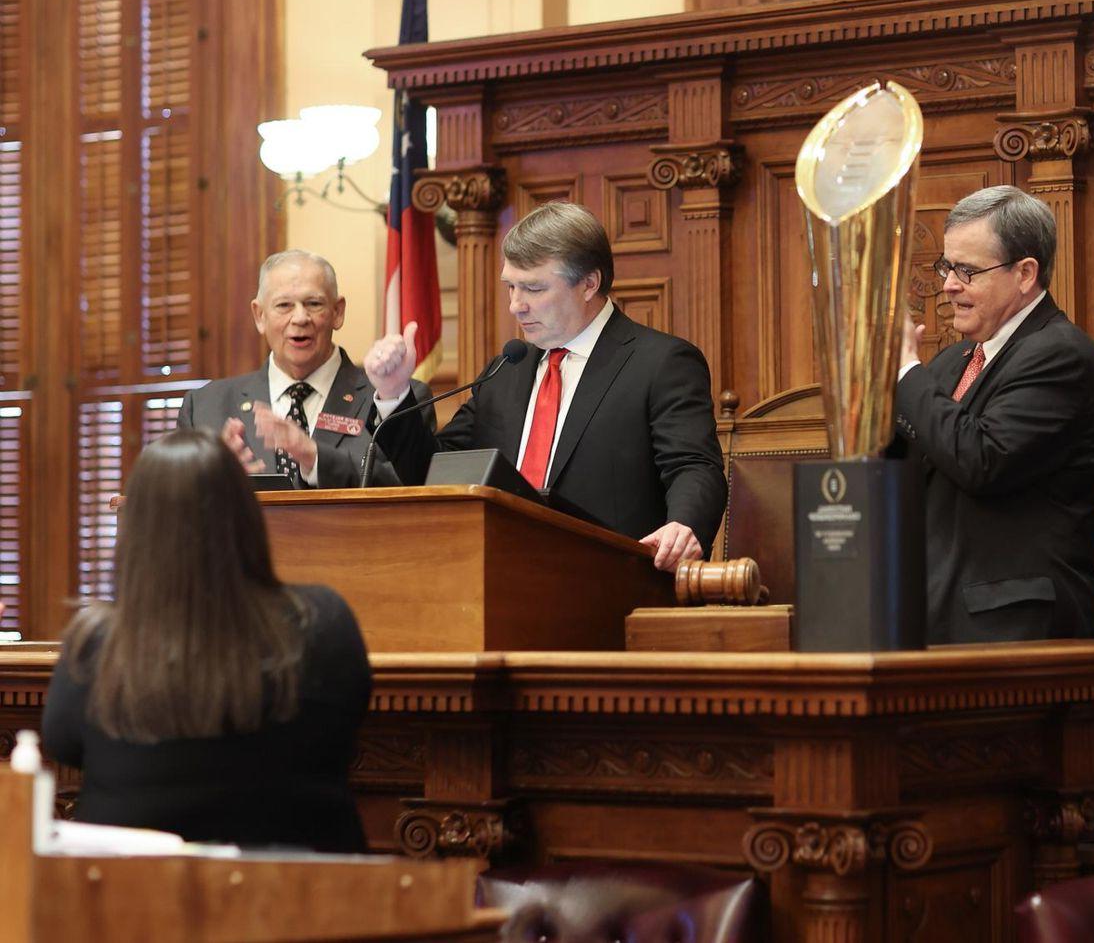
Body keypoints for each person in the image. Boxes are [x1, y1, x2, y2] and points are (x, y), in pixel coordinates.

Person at [41, 430, 372, 852]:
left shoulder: (95, 644)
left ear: (135, 529)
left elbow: (63, 745)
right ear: (246, 517)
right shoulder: (324, 620)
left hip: (138, 905)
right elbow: (349, 722)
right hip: (305, 906)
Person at [365, 201, 726, 571]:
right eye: (511, 287)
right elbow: (439, 471)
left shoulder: (660, 363)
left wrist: (684, 525)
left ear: (589, 283)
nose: (515, 306)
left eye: (533, 289)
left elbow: (694, 466)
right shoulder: (506, 369)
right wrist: (394, 394)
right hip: (495, 575)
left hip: (612, 581)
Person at [894, 185, 1094, 643]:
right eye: (947, 267)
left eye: (967, 271)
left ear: (1025, 273)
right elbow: (910, 467)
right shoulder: (954, 362)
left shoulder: (1061, 355)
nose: (949, 284)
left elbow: (981, 460)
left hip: (1017, 628)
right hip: (935, 616)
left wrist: (907, 372)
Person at [176, 249, 429, 488]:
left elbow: (411, 486)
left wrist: (314, 457)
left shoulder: (395, 400)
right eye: (284, 305)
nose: (299, 318)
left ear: (337, 312)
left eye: (314, 304)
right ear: (259, 316)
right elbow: (176, 505)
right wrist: (212, 479)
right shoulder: (205, 407)